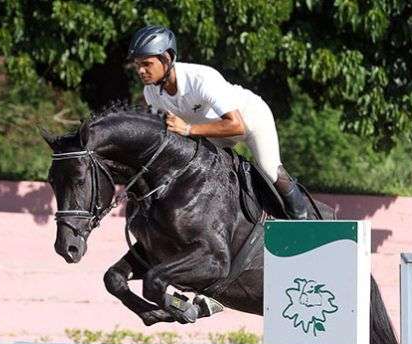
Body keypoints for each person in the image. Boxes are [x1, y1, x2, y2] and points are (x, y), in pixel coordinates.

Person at [128, 25, 310, 219]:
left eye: (147, 64)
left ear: (166, 58)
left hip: (251, 119)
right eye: (137, 64)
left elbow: (236, 125)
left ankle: (303, 221)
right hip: (212, 132)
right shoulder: (151, 93)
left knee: (270, 170)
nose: (140, 70)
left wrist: (188, 129)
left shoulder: (201, 78)